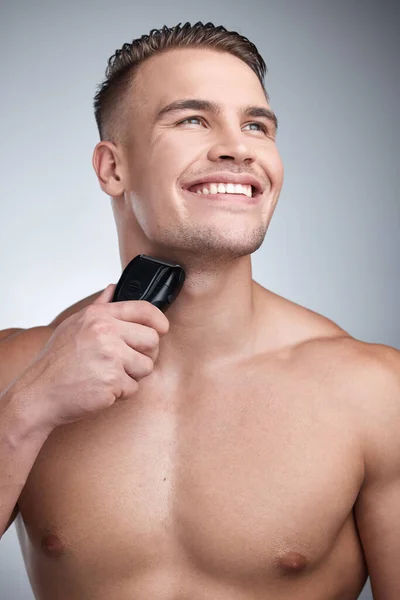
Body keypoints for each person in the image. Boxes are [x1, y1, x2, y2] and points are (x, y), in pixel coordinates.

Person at [0, 21, 399, 600]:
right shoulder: (17, 370)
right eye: (192, 119)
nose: (238, 147)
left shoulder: (374, 393)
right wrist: (28, 410)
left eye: (257, 126)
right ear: (114, 169)